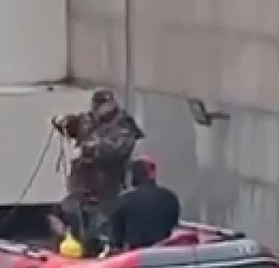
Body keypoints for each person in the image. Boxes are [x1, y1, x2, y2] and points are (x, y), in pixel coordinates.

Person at [48, 88, 144, 254]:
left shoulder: (124, 126)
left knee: (101, 226)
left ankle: (103, 253)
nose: (100, 109)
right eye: (97, 105)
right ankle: (70, 249)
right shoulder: (89, 119)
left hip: (107, 187)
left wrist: (87, 150)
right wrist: (63, 122)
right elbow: (75, 125)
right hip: (81, 185)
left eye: (105, 105)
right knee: (61, 215)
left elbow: (116, 149)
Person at [108, 156, 182, 251]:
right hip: (166, 254)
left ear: (132, 176)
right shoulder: (170, 197)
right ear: (152, 174)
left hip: (137, 258)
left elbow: (116, 240)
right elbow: (173, 225)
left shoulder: (123, 201)